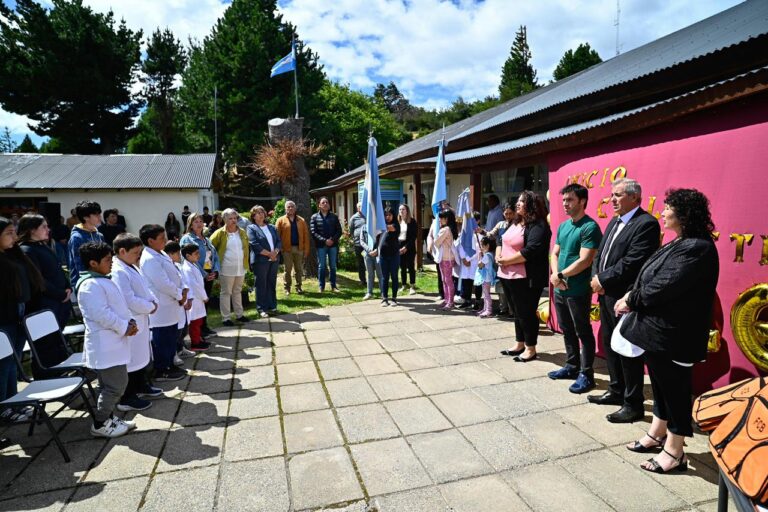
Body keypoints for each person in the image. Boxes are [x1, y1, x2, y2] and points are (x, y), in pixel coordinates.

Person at [615, 188, 719, 473]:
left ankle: (675, 450)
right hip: (659, 333)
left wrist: (632, 299)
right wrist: (633, 293)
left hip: (676, 335)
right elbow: (652, 277)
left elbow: (665, 286)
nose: (662, 212)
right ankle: (657, 432)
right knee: (660, 386)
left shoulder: (698, 247)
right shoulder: (683, 242)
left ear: (684, 214)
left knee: (675, 391)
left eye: (668, 208)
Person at [588, 178, 661, 422]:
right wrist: (596, 278)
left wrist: (602, 279)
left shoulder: (646, 224)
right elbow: (600, 255)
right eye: (612, 195)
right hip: (606, 294)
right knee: (611, 345)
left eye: (618, 195)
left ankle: (633, 404)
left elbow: (633, 262)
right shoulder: (614, 221)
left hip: (625, 296)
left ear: (635, 198)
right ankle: (616, 390)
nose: (613, 200)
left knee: (628, 350)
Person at [75, 241, 139, 438]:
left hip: (113, 342)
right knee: (116, 385)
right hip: (105, 345)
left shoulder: (102, 279)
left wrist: (130, 322)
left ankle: (108, 418)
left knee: (107, 385)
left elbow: (118, 307)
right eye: (107, 259)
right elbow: (101, 314)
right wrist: (124, 327)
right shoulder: (89, 285)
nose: (111, 262)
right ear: (93, 263)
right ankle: (100, 422)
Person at [548, 184, 602, 390]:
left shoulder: (590, 227)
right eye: (564, 200)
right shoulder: (563, 226)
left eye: (570, 199)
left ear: (582, 201)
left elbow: (585, 260)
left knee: (583, 331)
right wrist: (556, 276)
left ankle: (586, 374)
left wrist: (561, 275)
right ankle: (571, 366)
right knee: (566, 329)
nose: (565, 204)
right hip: (560, 287)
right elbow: (555, 253)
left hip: (577, 290)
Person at [496, 192, 552, 362]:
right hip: (507, 275)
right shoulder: (515, 222)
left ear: (532, 205)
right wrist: (499, 256)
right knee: (516, 312)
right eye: (518, 201)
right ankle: (519, 343)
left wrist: (506, 261)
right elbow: (500, 240)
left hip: (525, 278)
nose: (518, 204)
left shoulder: (538, 225)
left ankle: (530, 348)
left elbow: (531, 250)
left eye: (522, 201)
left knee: (526, 313)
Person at [111, 233, 163, 412]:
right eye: (135, 253)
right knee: (131, 359)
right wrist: (150, 306)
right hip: (132, 320)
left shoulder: (131, 266)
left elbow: (145, 288)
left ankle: (142, 385)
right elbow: (128, 299)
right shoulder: (118, 271)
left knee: (141, 357)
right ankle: (127, 397)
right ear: (122, 251)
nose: (139, 256)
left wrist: (153, 302)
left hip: (142, 317)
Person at [0, 216, 44, 426]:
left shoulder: (11, 253)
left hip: (17, 315)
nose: (14, 237)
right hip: (4, 318)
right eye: (9, 233)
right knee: (3, 365)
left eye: (14, 232)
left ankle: (13, 401)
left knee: (13, 362)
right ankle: (4, 407)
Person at [139, 224, 187, 381]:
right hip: (162, 306)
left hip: (171, 303)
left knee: (171, 336)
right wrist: (179, 295)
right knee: (162, 339)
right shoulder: (149, 259)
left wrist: (182, 289)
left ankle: (170, 364)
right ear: (150, 240)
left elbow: (175, 274)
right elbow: (162, 283)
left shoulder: (161, 253)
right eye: (162, 238)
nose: (165, 240)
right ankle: (162, 369)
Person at [17, 214, 72, 329]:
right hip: (46, 305)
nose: (48, 230)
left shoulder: (42, 245)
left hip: (59, 302)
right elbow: (37, 279)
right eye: (44, 227)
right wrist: (60, 294)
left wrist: (68, 287)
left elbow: (57, 269)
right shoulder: (26, 250)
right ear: (32, 230)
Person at [180, 212, 219, 337]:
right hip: (197, 275)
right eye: (196, 222)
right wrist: (204, 274)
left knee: (205, 301)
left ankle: (204, 326)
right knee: (199, 302)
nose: (199, 224)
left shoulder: (206, 239)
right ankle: (198, 330)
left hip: (209, 273)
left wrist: (215, 271)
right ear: (190, 225)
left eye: (201, 221)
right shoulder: (187, 239)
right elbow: (187, 259)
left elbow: (215, 255)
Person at [209, 208, 249, 326]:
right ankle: (226, 318)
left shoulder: (242, 232)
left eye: (235, 218)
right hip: (226, 267)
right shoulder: (219, 233)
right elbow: (211, 248)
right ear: (224, 219)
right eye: (230, 218)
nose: (233, 220)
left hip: (240, 267)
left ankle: (239, 315)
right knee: (226, 292)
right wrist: (214, 264)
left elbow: (246, 248)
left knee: (237, 291)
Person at [247, 205, 281, 318]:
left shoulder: (272, 227)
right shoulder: (251, 228)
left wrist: (275, 252)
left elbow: (279, 242)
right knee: (261, 284)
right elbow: (254, 244)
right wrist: (270, 254)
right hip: (261, 261)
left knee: (271, 283)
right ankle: (261, 308)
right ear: (253, 216)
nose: (261, 214)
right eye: (258, 213)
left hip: (274, 259)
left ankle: (272, 306)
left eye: (262, 212)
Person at [165, 241, 194, 365]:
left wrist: (188, 298)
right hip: (176, 301)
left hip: (183, 300)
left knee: (183, 328)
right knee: (176, 331)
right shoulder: (167, 267)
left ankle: (181, 348)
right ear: (169, 254)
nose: (179, 256)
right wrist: (182, 298)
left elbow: (183, 282)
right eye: (177, 253)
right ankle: (175, 354)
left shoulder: (177, 266)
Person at [68, 200, 106, 289]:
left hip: (100, 279)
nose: (99, 217)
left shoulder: (99, 235)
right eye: (96, 214)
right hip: (83, 283)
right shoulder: (77, 237)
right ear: (85, 217)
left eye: (99, 214)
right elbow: (79, 265)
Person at [274, 200, 309, 295]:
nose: (290, 208)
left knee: (299, 269)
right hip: (286, 249)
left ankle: (299, 287)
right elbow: (276, 236)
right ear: (285, 209)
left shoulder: (301, 220)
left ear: (295, 208)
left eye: (292, 206)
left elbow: (306, 236)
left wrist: (306, 249)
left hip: (299, 248)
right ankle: (287, 288)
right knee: (287, 269)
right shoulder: (280, 220)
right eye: (288, 207)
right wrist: (279, 248)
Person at [180, 243, 210, 351]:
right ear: (188, 256)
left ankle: (199, 339)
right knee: (195, 322)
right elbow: (195, 286)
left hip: (198, 298)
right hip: (195, 298)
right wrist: (204, 297)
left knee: (199, 320)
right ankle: (195, 343)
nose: (199, 255)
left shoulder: (193, 265)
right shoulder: (187, 268)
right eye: (196, 253)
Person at [310, 197, 342, 292]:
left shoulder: (334, 217)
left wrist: (332, 240)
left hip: (333, 245)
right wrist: (325, 241)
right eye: (323, 202)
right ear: (319, 205)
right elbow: (313, 232)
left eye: (327, 202)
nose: (325, 204)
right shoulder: (314, 217)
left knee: (333, 266)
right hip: (321, 246)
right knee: (322, 266)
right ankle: (321, 286)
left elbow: (339, 231)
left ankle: (333, 286)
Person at [434, 210, 458, 310]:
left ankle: (450, 302)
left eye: (441, 218)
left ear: (446, 219)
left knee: (447, 280)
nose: (439, 220)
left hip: (447, 258)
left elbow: (436, 242)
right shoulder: (447, 229)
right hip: (444, 258)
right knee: (445, 280)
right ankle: (447, 299)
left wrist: (437, 237)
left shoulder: (446, 229)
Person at [376, 207, 401, 307]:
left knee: (394, 276)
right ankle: (384, 298)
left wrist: (378, 224)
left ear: (393, 216)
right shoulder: (381, 227)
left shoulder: (396, 225)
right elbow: (377, 239)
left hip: (394, 255)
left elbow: (389, 228)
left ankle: (394, 298)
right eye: (385, 215)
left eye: (389, 215)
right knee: (384, 277)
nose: (387, 217)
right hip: (383, 255)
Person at [398, 204, 418, 295]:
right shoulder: (397, 221)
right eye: (400, 209)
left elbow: (414, 236)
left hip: (409, 246)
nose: (401, 211)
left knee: (410, 266)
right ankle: (404, 285)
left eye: (403, 209)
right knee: (402, 267)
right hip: (399, 246)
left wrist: (406, 247)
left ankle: (412, 286)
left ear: (407, 211)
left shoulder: (412, 221)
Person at [360, 224, 382, 300]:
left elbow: (382, 239)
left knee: (380, 274)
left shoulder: (379, 225)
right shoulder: (364, 227)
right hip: (368, 254)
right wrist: (369, 250)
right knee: (370, 274)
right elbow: (362, 241)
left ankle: (383, 293)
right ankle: (369, 293)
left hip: (377, 254)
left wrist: (377, 250)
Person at [476, 236, 497, 318]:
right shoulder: (491, 254)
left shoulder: (487, 256)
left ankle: (488, 310)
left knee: (486, 294)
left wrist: (479, 256)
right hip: (488, 277)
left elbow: (480, 265)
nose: (481, 247)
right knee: (485, 294)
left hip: (486, 278)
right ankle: (485, 309)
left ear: (487, 245)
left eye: (482, 245)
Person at [348, 202, 367, 286]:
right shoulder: (353, 218)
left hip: (368, 244)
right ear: (357, 208)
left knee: (369, 262)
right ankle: (362, 280)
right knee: (360, 262)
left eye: (362, 206)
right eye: (359, 206)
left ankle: (371, 279)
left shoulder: (367, 216)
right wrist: (355, 237)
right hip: (358, 244)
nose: (361, 208)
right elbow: (351, 230)